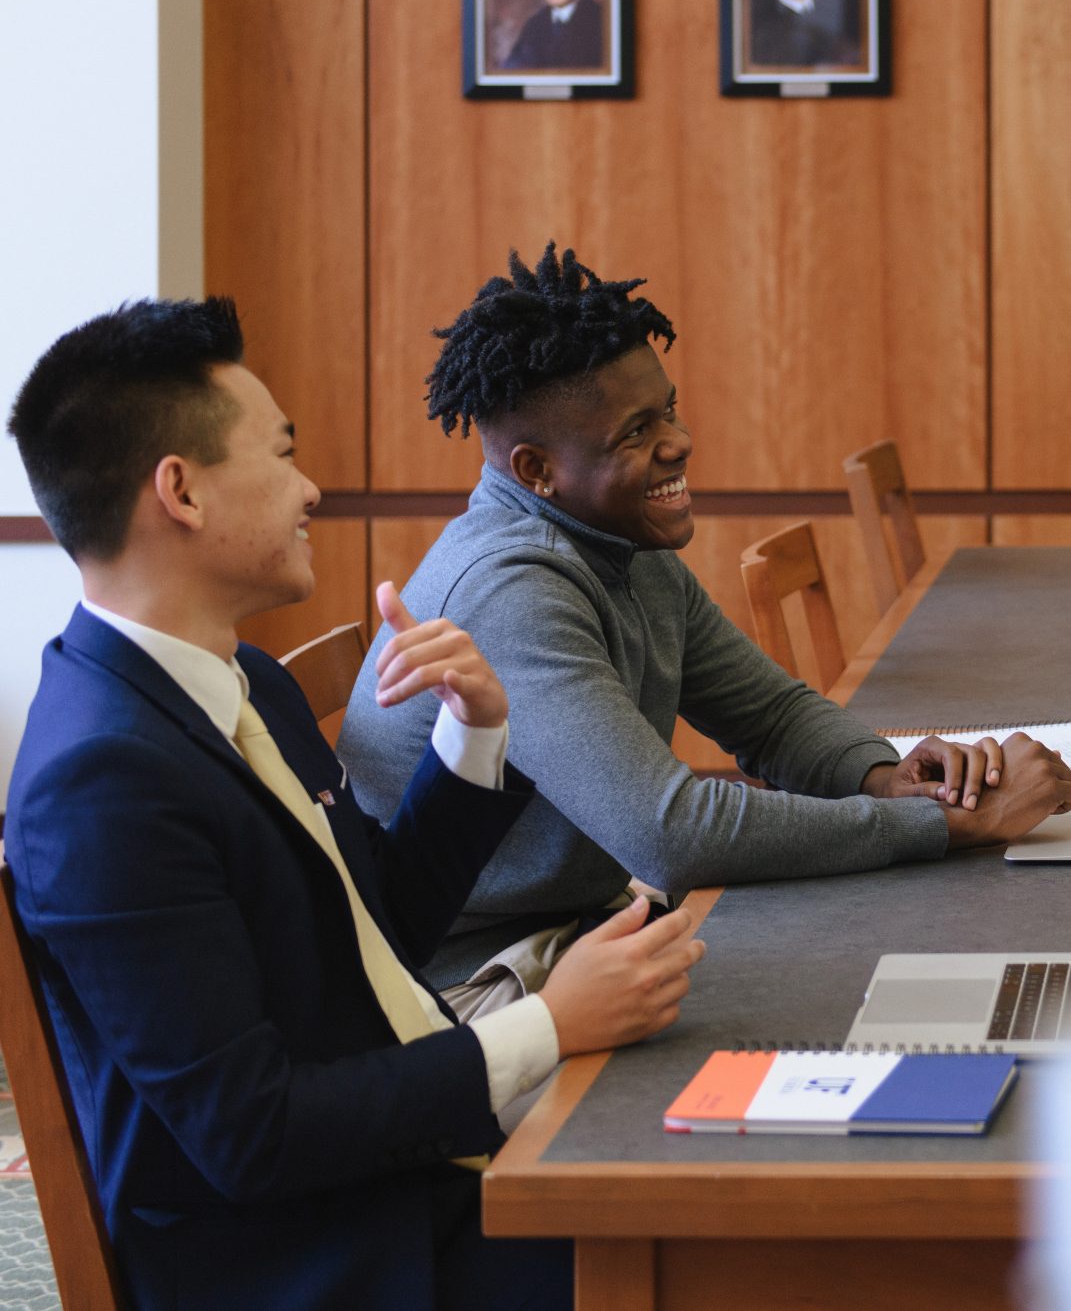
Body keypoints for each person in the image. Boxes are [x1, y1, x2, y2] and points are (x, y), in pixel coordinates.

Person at [4, 298, 703, 1311]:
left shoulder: (241, 677)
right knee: (732, 1248)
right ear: (182, 492)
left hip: (399, 1169)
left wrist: (472, 737)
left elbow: (376, 932)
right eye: (282, 455)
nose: (311, 489)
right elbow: (252, 1134)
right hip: (317, 1258)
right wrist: (548, 1026)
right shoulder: (99, 781)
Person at [335, 245, 1071, 1008]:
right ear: (536, 470)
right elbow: (673, 831)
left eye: (669, 407)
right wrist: (944, 826)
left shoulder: (619, 537)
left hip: (580, 929)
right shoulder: (510, 588)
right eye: (635, 432)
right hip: (470, 982)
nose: (679, 440)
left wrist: (885, 777)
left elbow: (770, 715)